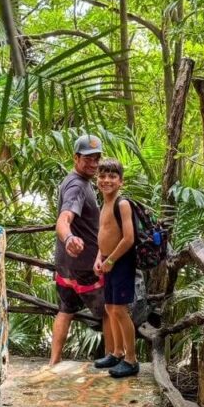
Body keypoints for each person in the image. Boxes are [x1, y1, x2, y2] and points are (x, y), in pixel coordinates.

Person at [50, 134, 117, 366]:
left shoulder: (72, 181)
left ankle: (54, 362)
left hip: (65, 265)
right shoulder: (77, 187)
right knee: (108, 310)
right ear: (75, 158)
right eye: (88, 159)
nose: (94, 164)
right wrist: (69, 238)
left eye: (97, 159)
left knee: (65, 310)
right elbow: (63, 219)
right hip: (85, 267)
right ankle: (111, 357)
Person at [93, 158, 139, 378]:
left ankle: (131, 360)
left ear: (121, 181)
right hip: (109, 261)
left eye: (112, 176)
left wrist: (110, 260)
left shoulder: (122, 204)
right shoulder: (104, 204)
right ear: (97, 179)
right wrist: (99, 258)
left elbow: (129, 238)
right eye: (102, 176)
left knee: (120, 310)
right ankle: (117, 352)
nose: (106, 180)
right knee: (110, 308)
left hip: (121, 263)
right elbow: (104, 235)